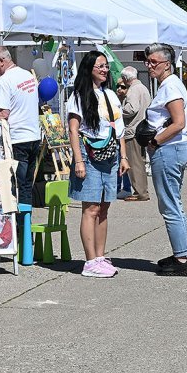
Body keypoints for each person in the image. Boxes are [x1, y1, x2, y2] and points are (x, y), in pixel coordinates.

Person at [65, 51, 126, 278]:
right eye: (99, 66)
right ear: (89, 68)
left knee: (104, 208)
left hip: (110, 155)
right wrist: (78, 160)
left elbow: (118, 128)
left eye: (105, 66)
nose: (104, 69)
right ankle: (90, 261)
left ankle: (100, 257)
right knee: (90, 208)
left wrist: (124, 157)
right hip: (89, 156)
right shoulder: (79, 96)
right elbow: (73, 129)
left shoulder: (110, 94)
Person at [142, 44, 187, 276]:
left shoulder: (170, 85)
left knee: (170, 205)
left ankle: (182, 258)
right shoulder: (169, 85)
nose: (149, 65)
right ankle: (180, 253)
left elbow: (178, 122)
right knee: (172, 202)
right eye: (148, 61)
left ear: (167, 64)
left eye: (154, 62)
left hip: (169, 148)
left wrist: (155, 141)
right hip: (173, 148)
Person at [0, 46, 40, 230]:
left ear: (1, 61)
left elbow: (3, 114)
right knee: (26, 187)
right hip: (33, 136)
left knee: (12, 188)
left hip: (16, 139)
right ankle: (26, 231)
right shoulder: (27, 75)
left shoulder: (5, 80)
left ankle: (15, 231)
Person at [119, 65, 151, 202]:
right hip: (142, 129)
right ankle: (141, 190)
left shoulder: (133, 90)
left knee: (134, 163)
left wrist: (118, 110)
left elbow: (132, 108)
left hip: (133, 130)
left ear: (126, 78)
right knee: (140, 162)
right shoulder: (143, 88)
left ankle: (140, 192)